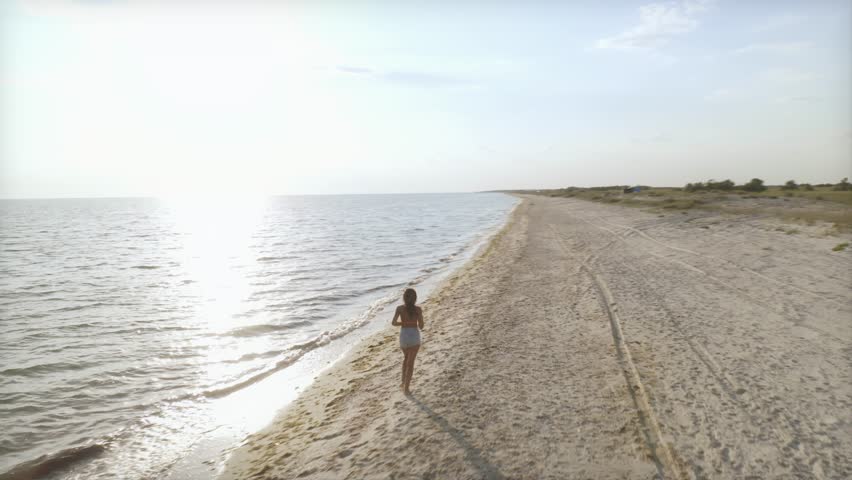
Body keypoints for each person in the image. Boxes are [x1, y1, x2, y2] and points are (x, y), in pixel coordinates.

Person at [391, 288, 424, 394]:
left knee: (405, 359)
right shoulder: (418, 309)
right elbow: (422, 326)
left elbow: (394, 323)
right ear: (415, 298)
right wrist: (413, 322)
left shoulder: (399, 308)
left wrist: (404, 323)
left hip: (404, 336)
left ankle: (402, 381)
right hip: (414, 336)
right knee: (411, 363)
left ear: (404, 298)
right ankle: (406, 388)